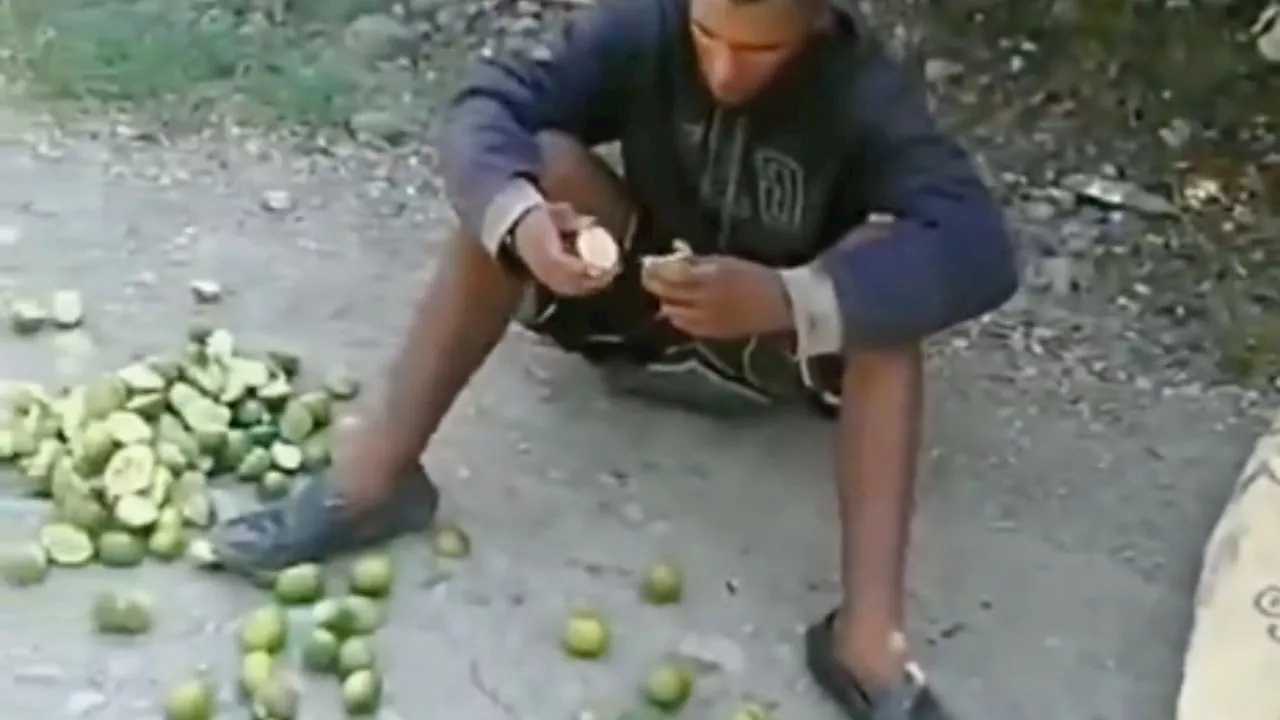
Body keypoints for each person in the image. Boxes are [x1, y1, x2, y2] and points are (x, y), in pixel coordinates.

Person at [209, 0, 1018, 715]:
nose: (727, 70)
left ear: (817, 24)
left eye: (761, 54)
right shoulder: (643, 29)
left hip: (779, 346)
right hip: (640, 314)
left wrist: (788, 298)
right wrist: (521, 217)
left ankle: (867, 637)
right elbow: (486, 104)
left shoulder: (864, 96)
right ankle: (379, 477)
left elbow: (983, 250)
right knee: (539, 163)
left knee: (891, 276)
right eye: (710, 37)